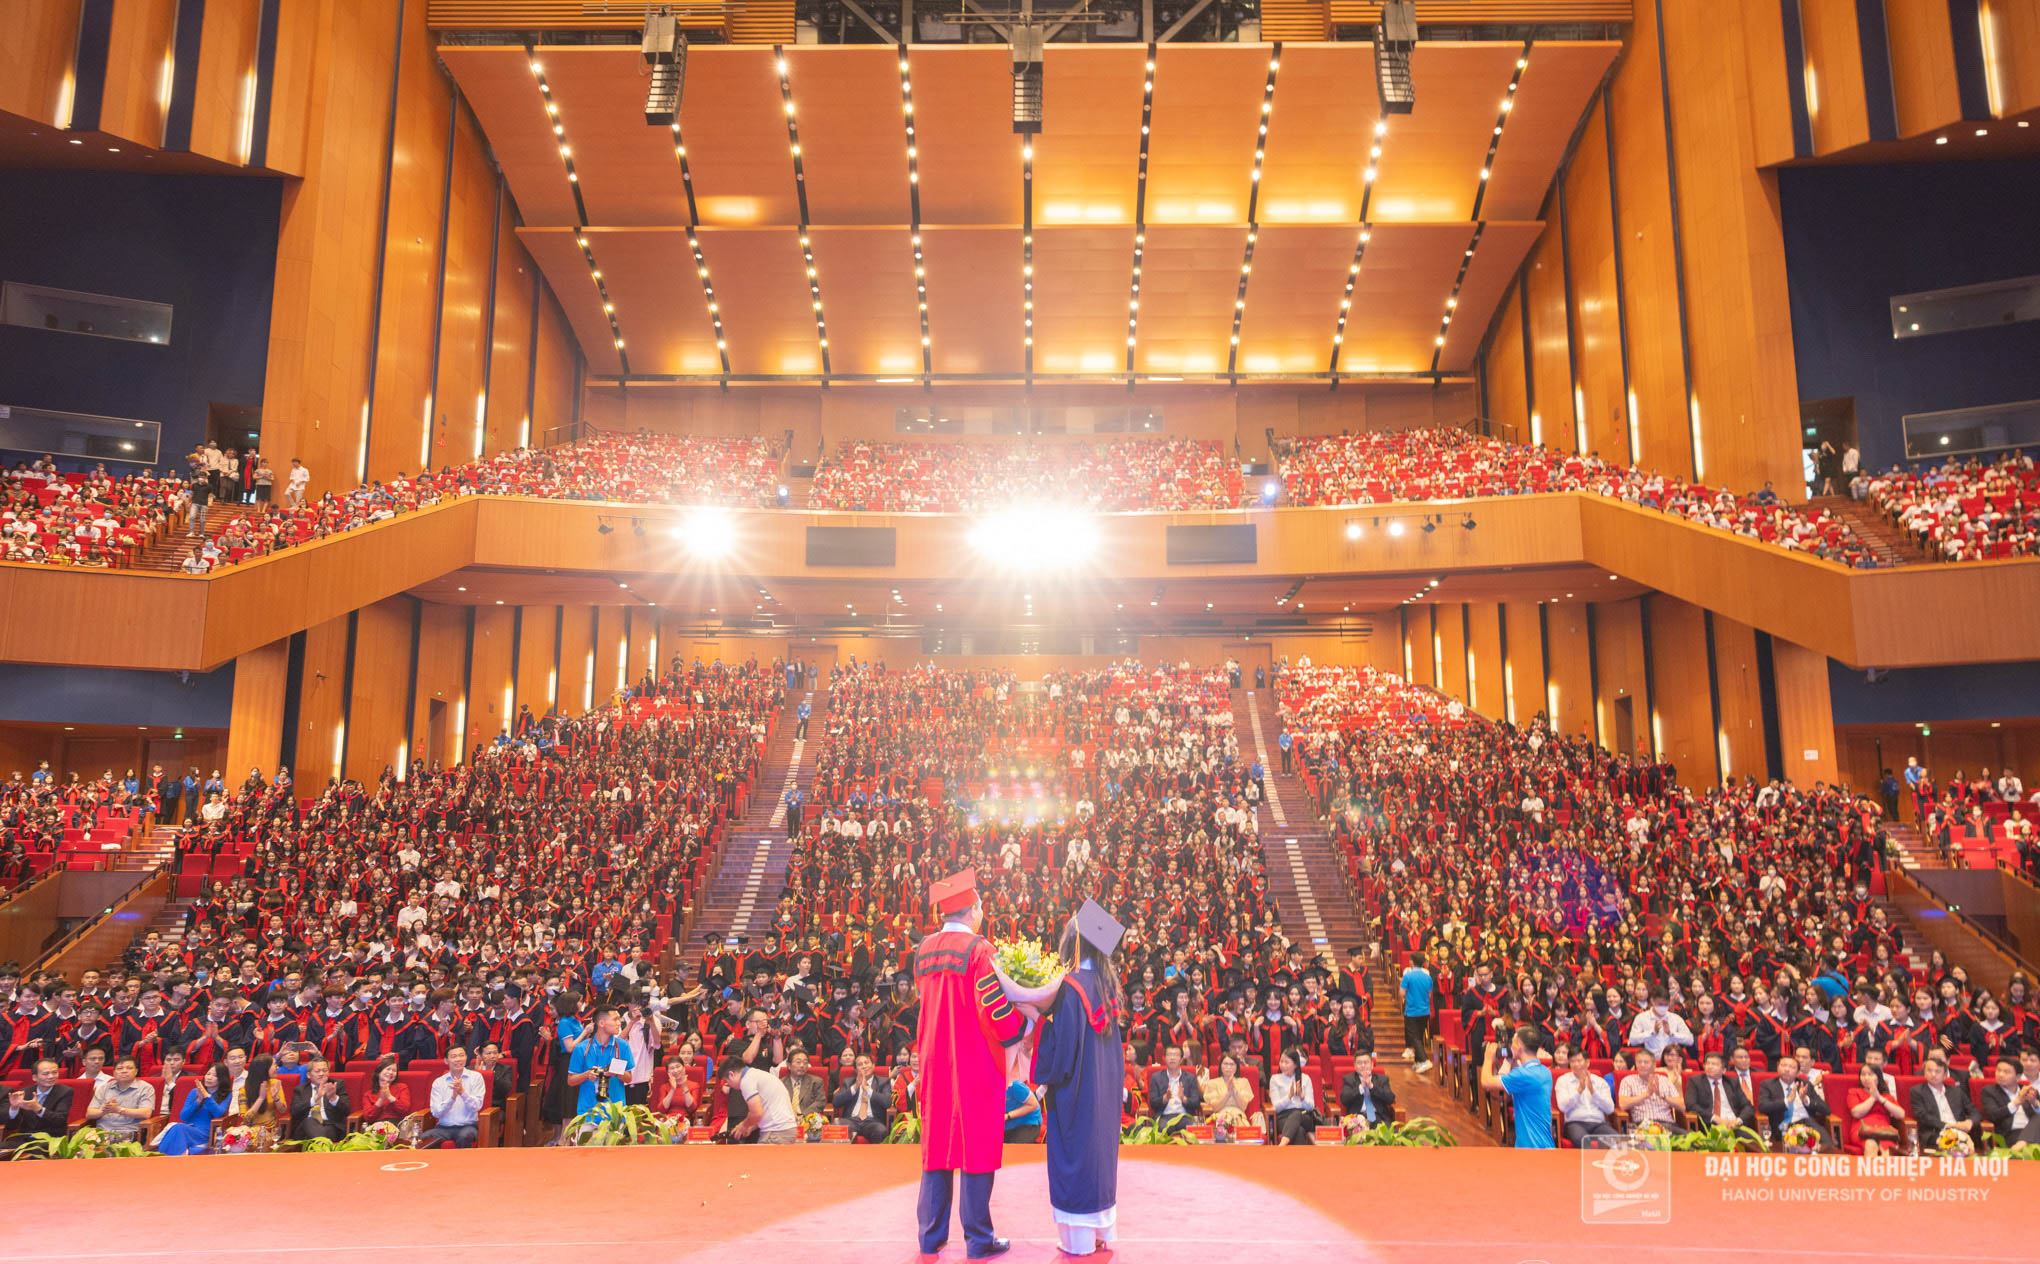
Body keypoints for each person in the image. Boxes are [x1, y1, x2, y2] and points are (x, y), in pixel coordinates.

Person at [914, 869, 1030, 1261]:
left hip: (933, 1060)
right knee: (977, 1147)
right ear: (973, 911)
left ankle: (930, 1237)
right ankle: (979, 1240)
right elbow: (994, 1010)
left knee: (937, 1148)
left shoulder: (923, 950)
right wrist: (1024, 1023)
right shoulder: (980, 951)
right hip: (974, 1062)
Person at [1031, 900, 1126, 1256]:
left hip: (1076, 1093)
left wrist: (1041, 1028)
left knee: (1074, 1156)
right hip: (1102, 1092)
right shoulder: (1106, 988)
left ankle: (1079, 1241)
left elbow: (1063, 1051)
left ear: (1073, 943)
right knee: (1099, 1155)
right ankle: (1101, 1233)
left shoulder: (1070, 989)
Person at [1481, 1026, 1555, 1149]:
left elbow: (1486, 1082)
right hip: (1542, 1143)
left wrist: (1488, 1058)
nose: (1510, 1046)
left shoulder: (1524, 1075)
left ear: (1519, 1046)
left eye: (1513, 1043)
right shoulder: (1544, 1071)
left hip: (1532, 1146)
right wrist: (1512, 1060)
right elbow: (1518, 1081)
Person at [566, 1004, 634, 1119]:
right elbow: (570, 1080)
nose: (619, 1023)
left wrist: (617, 1073)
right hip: (588, 1113)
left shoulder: (622, 1047)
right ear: (601, 1023)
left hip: (615, 1114)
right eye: (615, 1019)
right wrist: (586, 1075)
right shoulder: (582, 1048)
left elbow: (629, 1078)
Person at [719, 1053, 799, 1143]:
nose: (729, 1085)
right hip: (785, 1129)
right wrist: (751, 1127)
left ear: (731, 1075)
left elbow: (757, 1113)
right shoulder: (756, 1074)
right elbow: (766, 1110)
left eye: (727, 1082)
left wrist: (743, 1126)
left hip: (777, 1131)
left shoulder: (746, 1080)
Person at [155, 1063, 232, 1155]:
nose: (209, 1077)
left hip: (206, 1133)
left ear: (222, 1079)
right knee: (177, 1128)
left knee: (177, 1129)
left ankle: (162, 1156)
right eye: (208, 1074)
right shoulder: (194, 1092)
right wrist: (198, 1101)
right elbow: (183, 1116)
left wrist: (206, 1097)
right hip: (189, 1129)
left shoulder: (226, 1095)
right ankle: (180, 1154)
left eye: (215, 1075)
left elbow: (218, 1113)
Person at [1757, 1055, 1832, 1145]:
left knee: (1827, 1145)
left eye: (1791, 1067)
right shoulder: (1768, 1085)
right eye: (1783, 1065)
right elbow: (1763, 1107)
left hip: (1808, 1124)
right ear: (1778, 1067)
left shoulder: (1805, 1084)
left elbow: (1826, 1110)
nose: (1787, 1069)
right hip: (1784, 1126)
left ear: (1798, 1072)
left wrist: (1806, 1099)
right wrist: (1787, 1101)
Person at [423, 1044, 488, 1148]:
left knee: (464, 1136)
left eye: (461, 1055)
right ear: (446, 1060)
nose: (458, 1059)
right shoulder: (439, 1082)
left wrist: (462, 1093)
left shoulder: (476, 1077)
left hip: (468, 1126)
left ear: (466, 1057)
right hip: (443, 1127)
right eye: (453, 1056)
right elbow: (436, 1112)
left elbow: (476, 1106)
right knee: (424, 1138)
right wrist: (452, 1098)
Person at [1909, 1054, 1976, 1146]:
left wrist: (1969, 1122)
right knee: (1956, 1145)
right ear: (1924, 1073)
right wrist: (1947, 1125)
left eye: (1937, 1071)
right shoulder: (1917, 1091)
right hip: (1935, 1132)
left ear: (1945, 1075)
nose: (1933, 1074)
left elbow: (1974, 1111)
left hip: (1959, 1131)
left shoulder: (1956, 1091)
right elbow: (1923, 1116)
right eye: (1929, 1070)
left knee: (1966, 1144)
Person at [1556, 1049, 1616, 1147]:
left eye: (1579, 1061)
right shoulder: (1563, 1081)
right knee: (1584, 1141)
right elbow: (1562, 1107)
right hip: (1575, 1123)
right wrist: (1579, 1090)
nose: (1576, 1064)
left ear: (1587, 1062)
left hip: (1598, 1124)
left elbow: (1610, 1109)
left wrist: (1593, 1092)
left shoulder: (1599, 1081)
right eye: (1572, 1061)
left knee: (1616, 1140)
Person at [1843, 1062, 1905, 1156]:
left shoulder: (1886, 1096)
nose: (1866, 1078)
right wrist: (1873, 1098)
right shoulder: (1854, 1092)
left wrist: (1880, 1098)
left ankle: (1886, 1170)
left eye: (1870, 1074)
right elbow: (1856, 1113)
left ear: (1878, 1077)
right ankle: (1870, 1171)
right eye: (1863, 1074)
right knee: (1870, 1144)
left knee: (1888, 1149)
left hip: (1884, 1131)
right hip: (1862, 1130)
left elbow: (1901, 1114)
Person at [1684, 1051, 1755, 1131]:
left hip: (1734, 1125)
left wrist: (1738, 1121)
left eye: (1714, 1064)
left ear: (1724, 1070)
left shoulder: (1732, 1082)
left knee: (1754, 1142)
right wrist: (1715, 1118)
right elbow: (1691, 1105)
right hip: (1710, 1126)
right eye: (1707, 1063)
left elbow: (1748, 1106)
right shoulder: (1695, 1081)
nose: (1710, 1067)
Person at [835, 1051, 894, 1144]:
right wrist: (855, 1086)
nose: (864, 1066)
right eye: (860, 1064)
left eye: (866, 1063)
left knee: (880, 1130)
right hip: (851, 1120)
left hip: (872, 1121)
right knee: (838, 1126)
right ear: (855, 1070)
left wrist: (868, 1090)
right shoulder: (848, 1082)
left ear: (873, 1065)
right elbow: (836, 1102)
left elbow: (887, 1102)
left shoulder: (883, 1082)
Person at [291, 1056, 351, 1143]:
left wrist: (333, 1098)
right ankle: (323, 1146)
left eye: (325, 1070)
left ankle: (320, 1145)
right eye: (317, 1071)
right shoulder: (300, 1090)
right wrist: (315, 1099)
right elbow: (294, 1111)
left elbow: (347, 1110)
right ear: (308, 1075)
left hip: (331, 1126)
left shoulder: (337, 1085)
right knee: (309, 1121)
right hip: (306, 1129)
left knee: (320, 1133)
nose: (321, 1074)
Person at [1146, 1041, 1202, 1134]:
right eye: (1169, 1055)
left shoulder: (1190, 1078)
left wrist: (1184, 1099)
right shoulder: (1156, 1077)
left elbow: (1196, 1102)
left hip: (1184, 1116)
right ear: (1164, 1058)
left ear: (1181, 1059)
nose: (1172, 1058)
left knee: (1193, 1129)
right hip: (1164, 1116)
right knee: (1162, 1130)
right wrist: (1164, 1098)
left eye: (1176, 1055)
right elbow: (1153, 1103)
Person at [1981, 1059, 2040, 1146]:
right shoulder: (1989, 1091)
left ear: (2018, 1077)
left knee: (2037, 1118)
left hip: (2034, 1131)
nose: (2001, 1074)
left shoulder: (2028, 1091)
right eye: (1998, 1070)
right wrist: (2017, 1102)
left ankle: (2021, 1145)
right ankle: (2022, 1145)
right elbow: (1992, 1115)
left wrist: (2035, 1103)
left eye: (2006, 1072)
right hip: (2009, 1134)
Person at [1267, 1047, 1318, 1146]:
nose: (1283, 1065)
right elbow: (1276, 1108)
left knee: (1297, 1114)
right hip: (1283, 1117)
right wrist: (1289, 1097)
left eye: (1286, 1062)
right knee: (1299, 1131)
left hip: (1304, 1116)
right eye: (1281, 1062)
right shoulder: (1275, 1079)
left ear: (1295, 1064)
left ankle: (1282, 1144)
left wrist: (1302, 1097)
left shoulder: (1305, 1078)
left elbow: (1311, 1106)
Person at [1199, 1052, 1263, 1131]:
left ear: (1236, 1067)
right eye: (1225, 1064)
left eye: (1232, 1064)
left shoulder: (1243, 1082)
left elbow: (1243, 1107)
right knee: (1224, 1123)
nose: (1228, 1067)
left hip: (1239, 1117)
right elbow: (1215, 1108)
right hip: (1220, 1118)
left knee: (1237, 1121)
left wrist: (1234, 1090)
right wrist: (1228, 1094)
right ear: (1221, 1066)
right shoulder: (1213, 1083)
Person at [1338, 1051, 1396, 1133]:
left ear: (1372, 1065)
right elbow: (1344, 1099)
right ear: (1354, 1066)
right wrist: (1361, 1087)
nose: (1363, 1065)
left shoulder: (1382, 1079)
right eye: (1359, 1063)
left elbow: (1390, 1098)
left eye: (1366, 1062)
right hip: (1357, 1119)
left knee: (1390, 1136)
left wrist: (1372, 1086)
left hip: (1379, 1118)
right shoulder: (1348, 1079)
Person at [1399, 951, 1434, 1072]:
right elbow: (1430, 995)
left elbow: (1401, 993)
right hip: (1425, 1011)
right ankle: (1418, 1061)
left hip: (1412, 1011)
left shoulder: (1407, 976)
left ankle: (1425, 1060)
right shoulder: (1428, 977)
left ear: (1412, 962)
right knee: (1419, 1036)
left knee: (1414, 1037)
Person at [361, 1056, 412, 1124]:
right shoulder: (368, 1094)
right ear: (379, 1072)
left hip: (397, 1124)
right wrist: (380, 1099)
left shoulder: (402, 1087)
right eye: (388, 1069)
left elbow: (405, 1109)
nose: (391, 1072)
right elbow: (368, 1117)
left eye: (394, 1070)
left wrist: (389, 1097)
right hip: (376, 1126)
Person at [785, 1048, 828, 1120]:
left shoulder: (816, 1082)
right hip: (786, 1120)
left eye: (805, 1062)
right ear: (789, 1065)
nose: (802, 1065)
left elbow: (820, 1102)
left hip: (808, 1119)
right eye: (798, 1062)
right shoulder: (781, 1083)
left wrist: (803, 1116)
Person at [1002, 1079, 1042, 1144]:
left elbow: (1033, 1105)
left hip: (1028, 1122)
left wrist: (1007, 1116)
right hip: (1007, 1125)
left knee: (1014, 1150)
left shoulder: (1014, 1084)